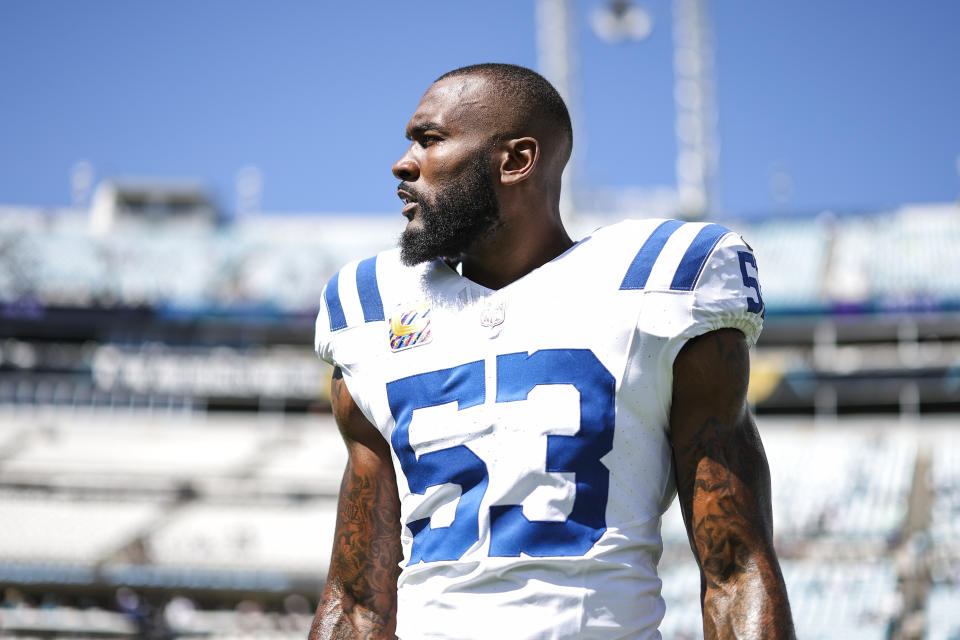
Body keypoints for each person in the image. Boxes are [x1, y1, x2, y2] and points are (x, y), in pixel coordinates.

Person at [309, 63, 795, 639]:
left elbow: (735, 571)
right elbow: (359, 600)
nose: (404, 162)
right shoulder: (368, 312)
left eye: (430, 139)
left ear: (516, 161)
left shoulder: (660, 282)